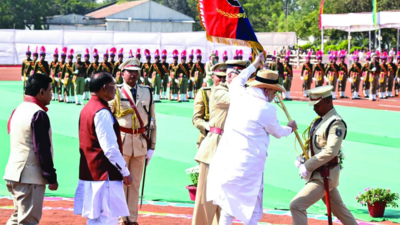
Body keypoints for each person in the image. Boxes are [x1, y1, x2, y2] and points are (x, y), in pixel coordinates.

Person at [207, 54, 297, 225]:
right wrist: (290, 128)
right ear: (268, 90)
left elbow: (237, 81)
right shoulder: (266, 108)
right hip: (250, 166)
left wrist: (254, 65)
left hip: (227, 160)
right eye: (274, 92)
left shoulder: (238, 94)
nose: (274, 96)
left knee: (227, 206)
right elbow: (277, 131)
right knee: (253, 210)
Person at [290, 85, 357, 225]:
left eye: (318, 105)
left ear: (328, 101)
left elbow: (330, 151)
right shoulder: (320, 120)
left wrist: (308, 165)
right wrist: (303, 158)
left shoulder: (336, 123)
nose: (314, 108)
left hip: (324, 176)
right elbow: (315, 145)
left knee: (297, 205)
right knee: (340, 210)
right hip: (319, 173)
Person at [74, 71, 133, 225]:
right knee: (107, 219)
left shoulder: (87, 108)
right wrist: (125, 172)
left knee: (95, 219)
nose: (116, 90)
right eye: (114, 86)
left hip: (91, 173)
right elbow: (110, 149)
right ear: (105, 87)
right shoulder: (102, 112)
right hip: (104, 175)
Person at [192, 60, 247, 225]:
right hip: (213, 145)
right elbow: (197, 118)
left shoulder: (240, 92)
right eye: (220, 77)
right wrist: (208, 127)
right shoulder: (216, 91)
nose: (222, 80)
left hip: (231, 147)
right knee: (205, 197)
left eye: (225, 77)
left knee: (225, 197)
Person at [4, 74, 58, 225]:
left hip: (14, 173)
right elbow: (42, 149)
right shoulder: (38, 113)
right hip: (29, 176)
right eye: (50, 90)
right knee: (29, 221)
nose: (51, 95)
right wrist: (51, 177)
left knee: (17, 218)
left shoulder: (19, 109)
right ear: (41, 92)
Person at [109, 58, 157, 225]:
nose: (134, 74)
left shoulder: (147, 92)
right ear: (123, 73)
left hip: (140, 142)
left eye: (136, 71)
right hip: (122, 142)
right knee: (121, 182)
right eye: (130, 71)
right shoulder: (116, 91)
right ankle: (122, 218)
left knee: (135, 184)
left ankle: (132, 219)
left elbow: (152, 121)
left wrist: (152, 146)